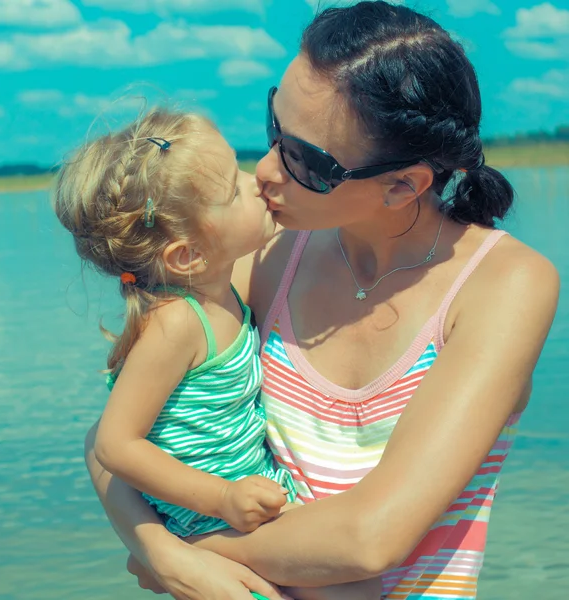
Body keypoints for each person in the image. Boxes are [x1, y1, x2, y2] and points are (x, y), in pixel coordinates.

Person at [83, 2, 560, 599]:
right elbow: (113, 440)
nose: (264, 170)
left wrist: (188, 556)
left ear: (402, 184)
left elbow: (371, 538)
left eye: (306, 161)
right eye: (274, 130)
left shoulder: (505, 285)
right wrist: (157, 549)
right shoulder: (266, 257)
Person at [56, 108, 379, 600]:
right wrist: (221, 499)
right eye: (233, 189)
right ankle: (203, 554)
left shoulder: (222, 290)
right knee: (355, 587)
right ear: (187, 255)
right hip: (206, 513)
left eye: (238, 167)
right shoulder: (178, 322)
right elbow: (114, 444)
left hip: (244, 496)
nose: (259, 182)